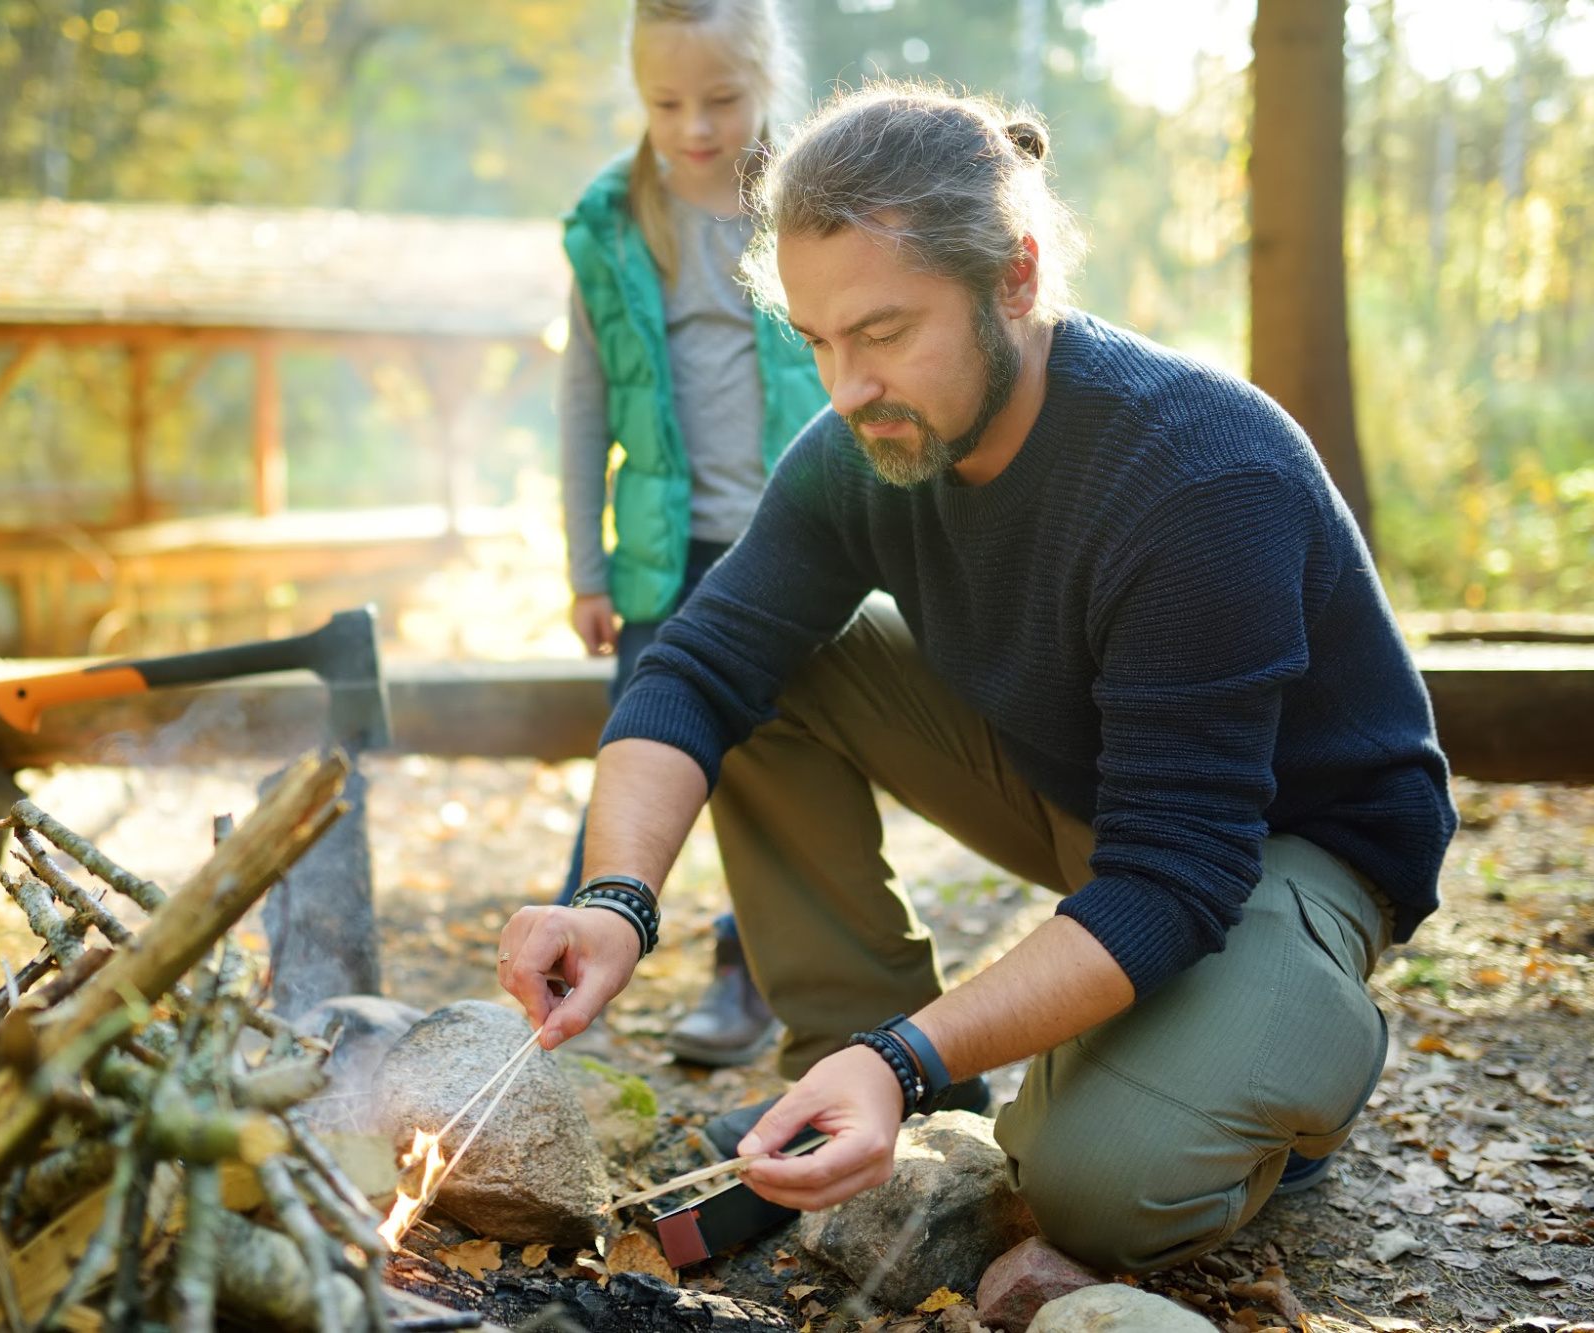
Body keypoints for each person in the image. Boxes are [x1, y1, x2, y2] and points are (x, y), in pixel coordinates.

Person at [500, 81, 1458, 1274]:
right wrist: (614, 901)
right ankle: (856, 1066)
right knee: (763, 675)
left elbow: (1174, 874)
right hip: (1100, 803)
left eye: (884, 331)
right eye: (817, 340)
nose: (844, 386)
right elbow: (695, 667)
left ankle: (1292, 1037)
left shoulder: (1198, 476)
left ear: (1014, 276)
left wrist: (907, 1054)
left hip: (1282, 848)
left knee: (1095, 1187)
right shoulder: (867, 440)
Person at [552, 0, 829, 1066]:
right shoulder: (613, 221)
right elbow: (583, 406)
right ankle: (576, 958)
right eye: (667, 103)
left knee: (781, 776)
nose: (695, 126)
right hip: (663, 557)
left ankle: (747, 967)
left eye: (719, 100)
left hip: (797, 545)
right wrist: (585, 564)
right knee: (638, 745)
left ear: (763, 79)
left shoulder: (808, 201)